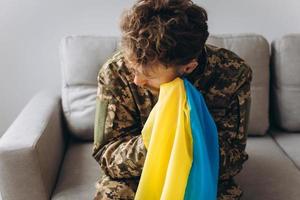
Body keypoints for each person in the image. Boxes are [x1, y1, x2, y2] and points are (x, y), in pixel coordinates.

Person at [92, 0, 252, 199]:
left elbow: (233, 159)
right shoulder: (115, 73)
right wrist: (157, 141)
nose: (136, 80)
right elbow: (106, 155)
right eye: (133, 69)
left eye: (148, 75)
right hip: (137, 175)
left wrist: (190, 142)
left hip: (203, 174)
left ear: (188, 67)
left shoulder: (233, 73)